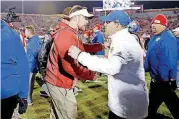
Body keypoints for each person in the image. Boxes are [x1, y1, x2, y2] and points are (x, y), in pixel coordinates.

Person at [68, 10, 148, 119]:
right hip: (127, 101)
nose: (104, 24)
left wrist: (80, 56)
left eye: (108, 22)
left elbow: (112, 67)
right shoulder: (124, 39)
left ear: (117, 25)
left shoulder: (123, 42)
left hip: (127, 106)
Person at [45, 5, 104, 119]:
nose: (87, 22)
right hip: (60, 82)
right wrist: (91, 75)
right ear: (77, 17)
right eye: (85, 18)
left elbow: (82, 47)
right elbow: (69, 66)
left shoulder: (70, 32)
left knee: (58, 114)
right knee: (68, 114)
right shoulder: (67, 34)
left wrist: (101, 46)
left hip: (58, 80)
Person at [144, 14, 179, 119]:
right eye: (153, 23)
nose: (153, 25)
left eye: (157, 23)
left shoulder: (168, 38)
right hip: (155, 79)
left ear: (164, 25)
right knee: (150, 108)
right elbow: (150, 55)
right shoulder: (155, 37)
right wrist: (146, 67)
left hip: (163, 80)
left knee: (174, 106)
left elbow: (172, 60)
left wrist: (172, 79)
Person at [1, 20, 30, 119]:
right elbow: (23, 66)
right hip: (7, 91)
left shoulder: (11, 34)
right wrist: (23, 96)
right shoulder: (11, 34)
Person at [25, 25, 42, 105]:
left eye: (25, 32)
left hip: (31, 66)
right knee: (29, 83)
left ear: (28, 32)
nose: (25, 33)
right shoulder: (34, 39)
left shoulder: (33, 42)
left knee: (29, 83)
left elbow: (37, 54)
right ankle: (28, 99)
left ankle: (28, 100)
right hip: (31, 65)